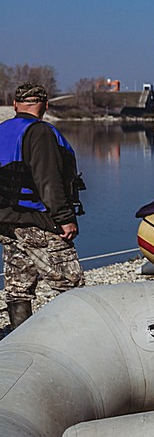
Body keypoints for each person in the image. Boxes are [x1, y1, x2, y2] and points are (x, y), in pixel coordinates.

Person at [0, 83, 86, 328]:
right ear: (45, 105)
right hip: (39, 221)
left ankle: (20, 337)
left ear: (15, 105)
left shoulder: (3, 130)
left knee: (18, 286)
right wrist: (65, 218)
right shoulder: (40, 132)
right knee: (71, 286)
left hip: (6, 222)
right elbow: (48, 180)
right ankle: (79, 337)